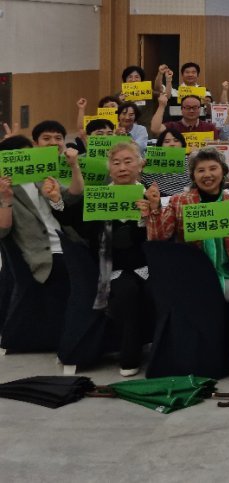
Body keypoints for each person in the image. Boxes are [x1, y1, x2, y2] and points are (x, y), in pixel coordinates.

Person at [142, 147, 229, 381]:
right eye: (201, 170)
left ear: (223, 172)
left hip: (227, 269)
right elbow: (158, 238)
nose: (207, 174)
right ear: (193, 175)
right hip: (197, 276)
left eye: (213, 168)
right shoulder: (180, 201)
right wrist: (155, 209)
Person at [60, 142, 152, 376]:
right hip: (113, 268)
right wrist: (55, 199)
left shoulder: (151, 195)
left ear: (140, 165)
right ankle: (129, 355)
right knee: (127, 291)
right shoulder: (99, 198)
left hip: (150, 266)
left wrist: (150, 217)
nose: (122, 167)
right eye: (116, 163)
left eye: (128, 161)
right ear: (109, 169)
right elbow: (73, 220)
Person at [0, 135, 80, 309]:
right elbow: (2, 231)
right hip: (42, 255)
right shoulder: (4, 189)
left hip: (67, 244)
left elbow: (73, 195)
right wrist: (6, 199)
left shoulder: (43, 178)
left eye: (29, 155)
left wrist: (74, 166)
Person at [140, 129, 192, 197]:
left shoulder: (191, 161)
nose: (172, 144)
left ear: (182, 144)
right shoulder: (151, 162)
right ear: (160, 145)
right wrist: (140, 167)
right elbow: (141, 183)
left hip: (187, 197)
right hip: (158, 198)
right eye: (167, 142)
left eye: (176, 141)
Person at [150, 92, 217, 138]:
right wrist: (161, 106)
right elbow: (155, 129)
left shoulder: (210, 128)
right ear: (181, 109)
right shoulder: (172, 126)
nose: (191, 111)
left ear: (200, 109)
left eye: (195, 107)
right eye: (188, 107)